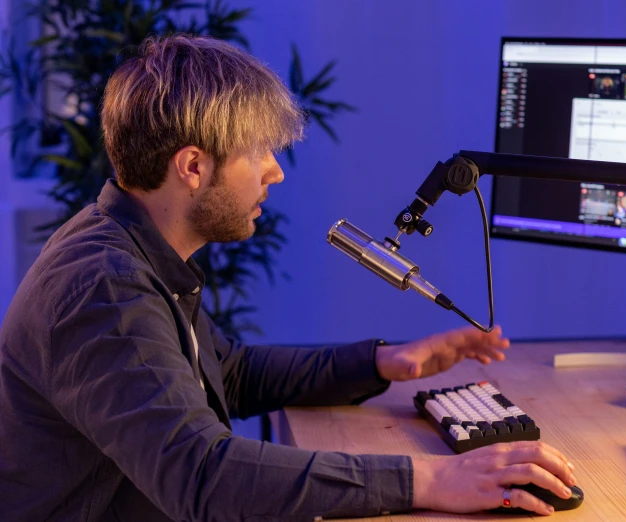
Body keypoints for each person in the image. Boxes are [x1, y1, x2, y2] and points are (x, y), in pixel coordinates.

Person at [0, 35, 576, 521]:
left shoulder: (131, 250)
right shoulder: (107, 288)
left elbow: (227, 371)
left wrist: (381, 363)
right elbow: (201, 475)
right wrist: (428, 480)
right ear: (194, 167)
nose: (275, 171)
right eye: (260, 153)